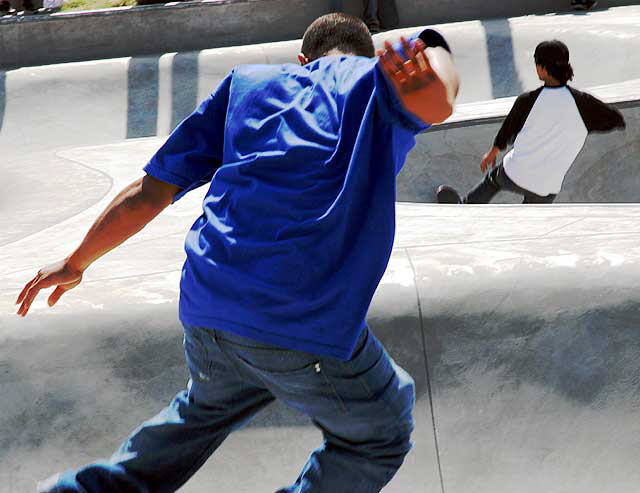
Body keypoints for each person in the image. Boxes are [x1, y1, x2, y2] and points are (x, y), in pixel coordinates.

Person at [18, 13, 459, 493]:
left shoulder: (248, 83)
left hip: (208, 304)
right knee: (382, 428)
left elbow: (149, 192)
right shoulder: (375, 84)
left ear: (302, 59)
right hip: (297, 315)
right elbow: (437, 80)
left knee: (202, 410)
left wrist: (75, 262)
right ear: (365, 55)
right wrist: (435, 80)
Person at [437, 39, 625, 205]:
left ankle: (466, 206)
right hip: (548, 186)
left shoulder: (527, 100)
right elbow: (615, 119)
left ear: (542, 68)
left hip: (514, 173)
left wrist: (492, 152)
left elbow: (508, 130)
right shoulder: (585, 103)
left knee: (493, 181)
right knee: (533, 214)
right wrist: (586, 127)